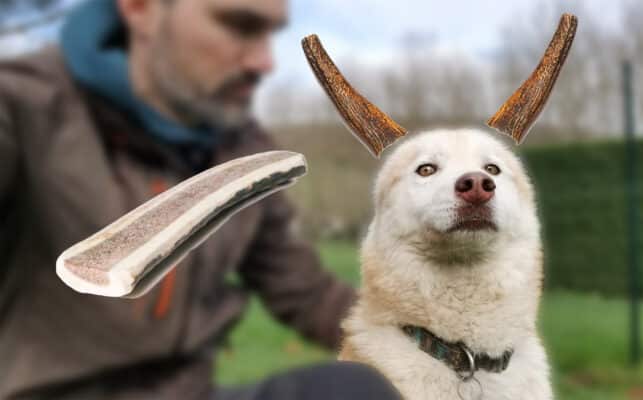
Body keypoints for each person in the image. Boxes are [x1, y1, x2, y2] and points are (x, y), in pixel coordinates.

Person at [0, 0, 402, 399]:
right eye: (240, 25)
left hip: (192, 393)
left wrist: (426, 341)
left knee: (356, 389)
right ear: (140, 8)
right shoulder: (23, 105)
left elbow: (303, 290)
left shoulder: (244, 150)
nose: (265, 63)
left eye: (269, 35)